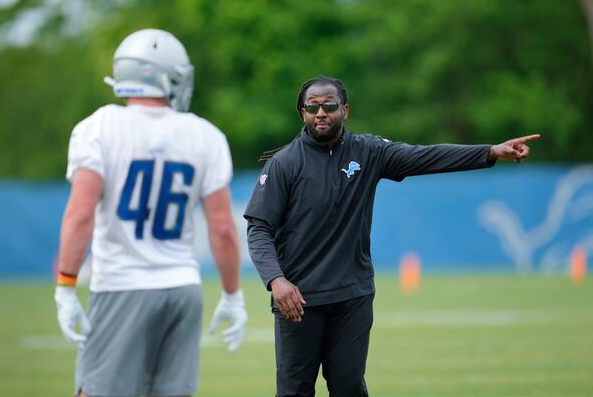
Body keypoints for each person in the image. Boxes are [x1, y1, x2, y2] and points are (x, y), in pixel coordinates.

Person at [244, 76, 539, 397]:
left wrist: (490, 152)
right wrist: (276, 280)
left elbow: (426, 157)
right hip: (298, 301)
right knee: (294, 392)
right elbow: (259, 228)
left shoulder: (367, 151)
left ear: (345, 110)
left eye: (329, 106)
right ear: (302, 113)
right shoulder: (284, 163)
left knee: (349, 388)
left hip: (352, 297)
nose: (321, 113)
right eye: (312, 107)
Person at [54, 29, 248, 397]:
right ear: (166, 75)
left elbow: (80, 214)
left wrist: (65, 288)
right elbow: (222, 229)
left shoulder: (99, 127)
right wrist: (232, 295)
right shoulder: (205, 135)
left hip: (122, 285)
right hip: (182, 289)